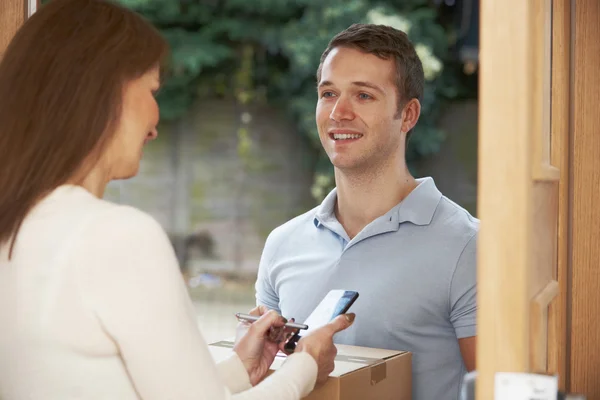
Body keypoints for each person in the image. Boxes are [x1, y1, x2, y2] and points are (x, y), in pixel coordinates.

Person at [0, 1, 354, 399]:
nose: (155, 121)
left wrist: (240, 368)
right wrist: (306, 363)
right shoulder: (114, 236)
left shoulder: (20, 226)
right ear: (103, 92)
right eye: (151, 90)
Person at [255, 24, 478, 400]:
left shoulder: (468, 246)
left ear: (407, 115)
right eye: (328, 93)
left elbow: (495, 388)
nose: (339, 112)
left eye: (363, 95)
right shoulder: (282, 244)